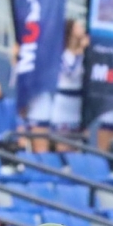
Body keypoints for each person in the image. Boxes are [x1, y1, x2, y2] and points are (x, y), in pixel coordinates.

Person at [47, 19, 89, 153]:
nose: (82, 28)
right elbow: (70, 71)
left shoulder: (86, 54)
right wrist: (82, 50)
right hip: (63, 104)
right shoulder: (62, 54)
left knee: (76, 148)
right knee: (63, 147)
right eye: (79, 26)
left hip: (77, 105)